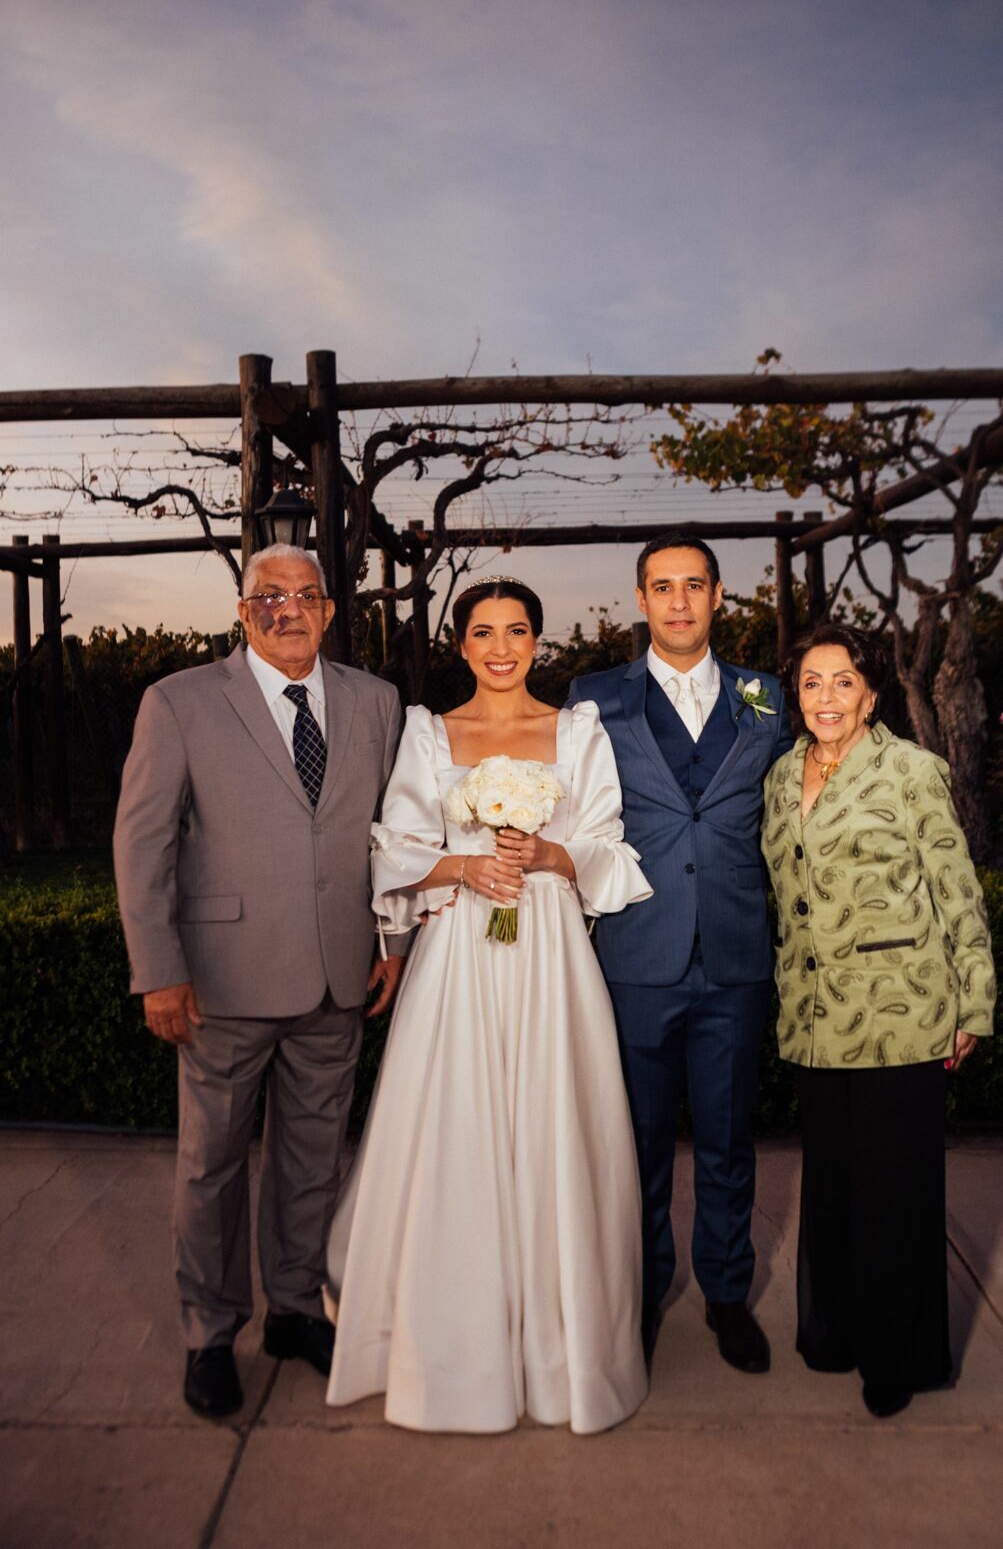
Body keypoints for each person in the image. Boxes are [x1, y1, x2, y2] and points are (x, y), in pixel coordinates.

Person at [326, 577, 652, 1435]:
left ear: (536, 642)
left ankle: (559, 1350)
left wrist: (547, 855)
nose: (499, 648)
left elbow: (607, 842)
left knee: (553, 1124)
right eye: (482, 632)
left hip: (549, 949)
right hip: (460, 950)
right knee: (457, 1125)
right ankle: (453, 1350)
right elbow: (394, 848)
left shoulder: (577, 731)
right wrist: (463, 868)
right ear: (460, 644)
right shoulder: (428, 733)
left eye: (515, 632)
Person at [113, 545, 408, 1420]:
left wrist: (391, 938)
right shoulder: (179, 702)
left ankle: (294, 1308)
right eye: (267, 598)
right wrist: (158, 972)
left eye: (304, 596)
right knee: (210, 1166)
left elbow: (394, 832)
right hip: (221, 984)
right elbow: (142, 844)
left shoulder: (375, 701)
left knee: (312, 1159)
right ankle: (209, 1333)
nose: (287, 611)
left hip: (338, 976)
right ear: (243, 614)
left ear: (329, 610)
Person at [568, 533, 793, 1373]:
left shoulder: (763, 694)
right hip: (637, 951)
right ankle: (638, 1293)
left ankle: (727, 1295)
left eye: (692, 585)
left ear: (717, 595)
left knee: (729, 1139)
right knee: (636, 1142)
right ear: (640, 599)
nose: (677, 602)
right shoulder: (596, 696)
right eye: (661, 587)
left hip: (734, 953)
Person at [762, 621, 996, 1419]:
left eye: (842, 681)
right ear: (796, 697)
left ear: (869, 694)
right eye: (811, 683)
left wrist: (973, 1000)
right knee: (832, 1190)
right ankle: (834, 1334)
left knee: (894, 1194)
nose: (825, 697)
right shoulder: (781, 774)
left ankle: (897, 1357)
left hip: (902, 1010)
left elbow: (955, 890)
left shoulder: (910, 771)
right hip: (815, 1016)